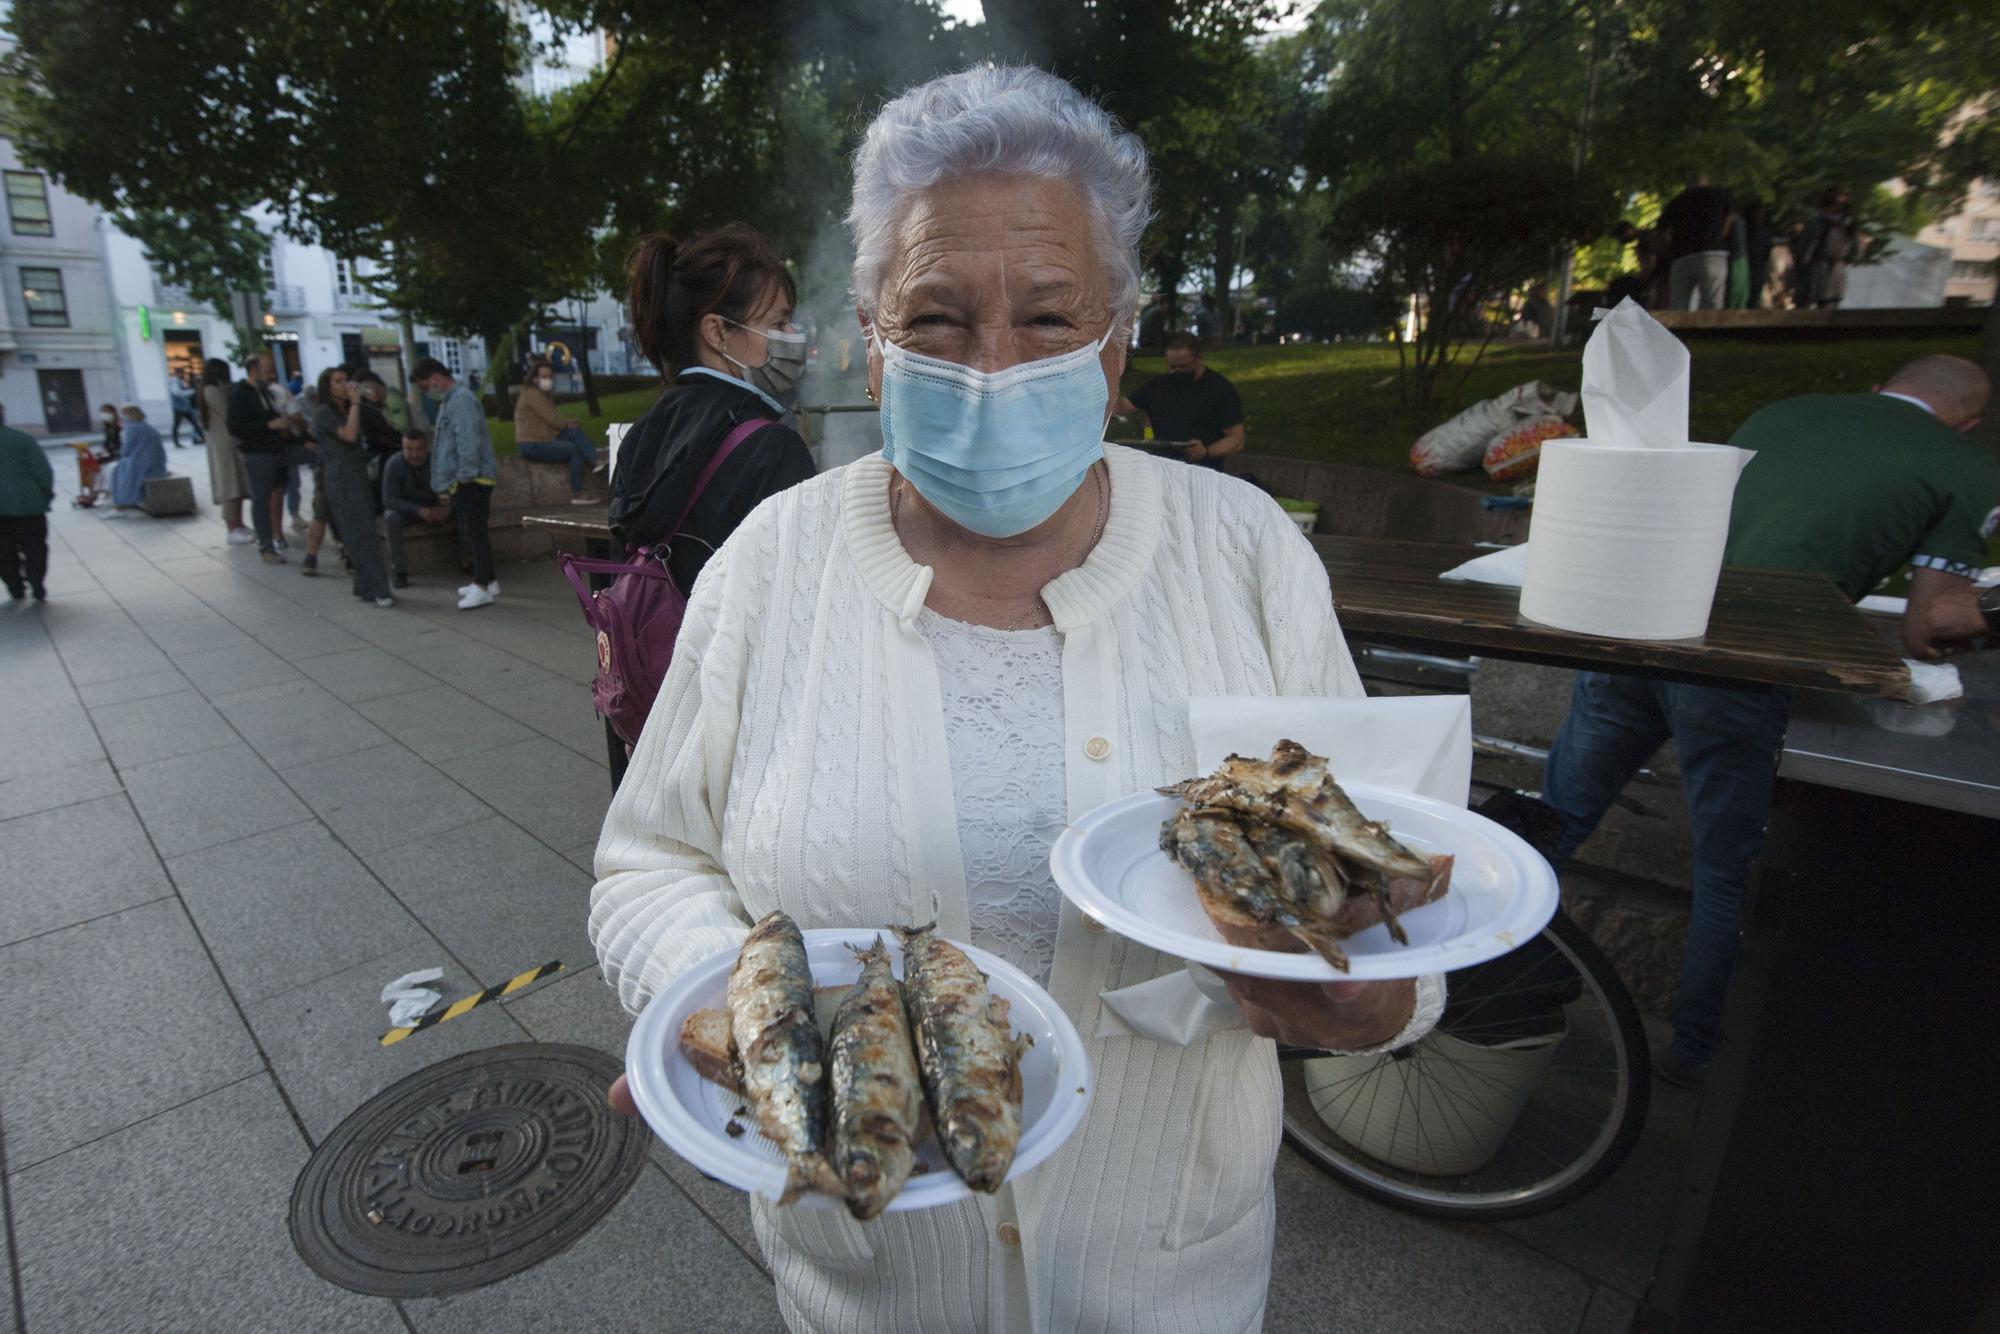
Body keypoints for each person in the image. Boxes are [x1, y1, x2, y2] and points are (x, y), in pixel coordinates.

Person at [591, 65, 1435, 1334]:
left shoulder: (1245, 552)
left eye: (1046, 318)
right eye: (934, 319)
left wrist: (1376, 997)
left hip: (1171, 1277)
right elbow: (648, 854)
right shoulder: (772, 560)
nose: (989, 366)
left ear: (1117, 344)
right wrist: (726, 1005)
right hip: (865, 1276)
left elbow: (1391, 879)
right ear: (869, 342)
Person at [1540, 355, 1998, 1092]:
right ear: (1968, 421)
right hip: (1747, 668)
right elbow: (1932, 624)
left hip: (1642, 625)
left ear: (1879, 387)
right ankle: (1695, 1054)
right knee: (1726, 875)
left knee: (1553, 824)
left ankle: (1473, 980)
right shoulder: (1966, 466)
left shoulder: (1784, 411)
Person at [606, 223, 815, 597]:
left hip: (660, 650)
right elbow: (795, 598)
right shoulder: (774, 447)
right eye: (778, 322)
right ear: (718, 332)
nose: (793, 335)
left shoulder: (639, 435)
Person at [410, 356, 499, 609]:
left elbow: (467, 442)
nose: (427, 392)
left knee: (475, 533)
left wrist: (463, 477)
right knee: (475, 532)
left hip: (472, 479)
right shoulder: (455, 399)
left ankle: (483, 585)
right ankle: (487, 580)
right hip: (471, 477)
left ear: (436, 379)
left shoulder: (459, 400)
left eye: (425, 386)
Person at [304, 367, 394, 606]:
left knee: (365, 531)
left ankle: (366, 586)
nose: (345, 384)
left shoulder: (350, 408)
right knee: (358, 533)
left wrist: (369, 400)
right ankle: (378, 589)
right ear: (328, 386)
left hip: (357, 474)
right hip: (340, 477)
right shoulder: (324, 413)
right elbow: (349, 435)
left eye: (346, 379)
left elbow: (378, 422)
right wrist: (355, 404)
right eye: (339, 381)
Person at [1113, 332, 1246, 468]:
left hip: (1202, 467)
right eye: (1172, 367)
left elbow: (1236, 439)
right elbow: (1121, 408)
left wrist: (1207, 451)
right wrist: (1111, 382)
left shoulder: (1220, 389)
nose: (1176, 372)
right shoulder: (1158, 385)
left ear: (1199, 359)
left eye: (1183, 367)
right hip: (1163, 464)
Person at [227, 352, 298, 563]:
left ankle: (273, 540)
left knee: (276, 492)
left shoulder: (267, 393)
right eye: (266, 369)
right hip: (257, 453)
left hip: (276, 449)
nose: (271, 373)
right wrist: (268, 426)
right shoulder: (240, 394)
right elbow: (235, 427)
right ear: (254, 370)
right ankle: (266, 547)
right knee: (261, 500)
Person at [513, 356, 601, 503]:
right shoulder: (533, 395)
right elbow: (554, 421)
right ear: (535, 379)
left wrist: (567, 423)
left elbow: (553, 421)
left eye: (550, 376)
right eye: (544, 376)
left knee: (574, 432)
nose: (548, 380)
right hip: (534, 444)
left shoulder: (539, 394)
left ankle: (595, 461)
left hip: (540, 440)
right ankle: (578, 492)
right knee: (575, 450)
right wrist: (567, 423)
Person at [381, 428, 451, 589]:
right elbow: (389, 499)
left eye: (418, 450)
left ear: (426, 448)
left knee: (465, 511)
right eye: (409, 449)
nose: (414, 455)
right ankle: (399, 571)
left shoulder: (437, 463)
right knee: (391, 518)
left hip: (434, 506)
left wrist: (446, 509)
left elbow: (450, 491)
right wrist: (417, 510)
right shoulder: (394, 465)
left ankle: (468, 560)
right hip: (407, 510)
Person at [0, 402, 54, 601]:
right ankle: (37, 582)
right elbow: (42, 471)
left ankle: (14, 586)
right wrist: (45, 493)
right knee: (35, 546)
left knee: (3, 550)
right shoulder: (22, 439)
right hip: (29, 504)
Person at [197, 359, 254, 545]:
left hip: (225, 442)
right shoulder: (212, 391)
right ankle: (232, 527)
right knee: (230, 484)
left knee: (235, 482)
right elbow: (228, 412)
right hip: (225, 444)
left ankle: (238, 523)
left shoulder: (211, 390)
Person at [1659, 171, 1733, 310]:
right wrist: (1720, 236)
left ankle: (1678, 331)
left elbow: (1662, 231)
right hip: (1711, 253)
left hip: (1681, 257)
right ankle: (1710, 331)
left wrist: (1672, 248)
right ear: (1705, 179)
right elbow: (1728, 219)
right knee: (1712, 303)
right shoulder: (1719, 194)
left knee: (1679, 304)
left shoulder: (1676, 202)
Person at [1796, 185, 1860, 309]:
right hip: (1831, 270)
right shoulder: (1846, 224)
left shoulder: (1820, 222)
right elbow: (1855, 251)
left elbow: (1805, 251)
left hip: (1824, 271)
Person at [105, 405, 167, 514]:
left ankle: (120, 504)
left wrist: (119, 453)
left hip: (143, 462)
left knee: (117, 471)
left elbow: (126, 450)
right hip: (157, 462)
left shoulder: (132, 428)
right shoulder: (147, 426)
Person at [1741, 201, 1775, 310]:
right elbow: (1767, 252)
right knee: (1752, 301)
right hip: (1757, 269)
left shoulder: (1743, 231)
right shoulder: (1765, 233)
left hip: (1747, 268)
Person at [167, 371, 203, 447]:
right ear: (177, 374)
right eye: (180, 373)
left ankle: (202, 438)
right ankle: (176, 442)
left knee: (194, 423)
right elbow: (177, 392)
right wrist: (191, 392)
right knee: (178, 425)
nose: (182, 374)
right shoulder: (175, 382)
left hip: (184, 407)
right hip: (179, 407)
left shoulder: (179, 382)